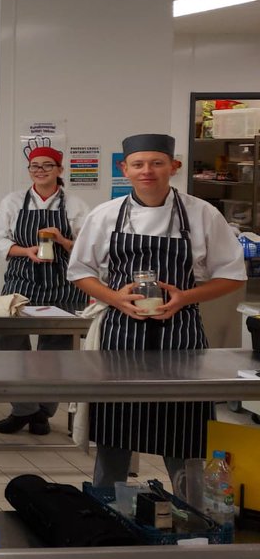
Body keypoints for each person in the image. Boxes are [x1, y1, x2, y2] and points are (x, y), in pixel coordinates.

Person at [68, 133, 246, 489]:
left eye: (156, 163)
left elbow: (232, 275)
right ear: (125, 169)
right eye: (138, 164)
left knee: (184, 428)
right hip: (121, 335)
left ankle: (191, 508)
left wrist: (185, 297)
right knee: (115, 427)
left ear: (173, 166)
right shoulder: (106, 215)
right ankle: (107, 506)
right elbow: (79, 271)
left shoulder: (202, 214)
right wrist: (114, 298)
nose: (147, 171)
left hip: (181, 336)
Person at [0, 146, 91, 435]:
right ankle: (24, 409)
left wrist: (63, 241)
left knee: (55, 351)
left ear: (60, 170)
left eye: (47, 165)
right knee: (10, 345)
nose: (40, 170)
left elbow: (88, 247)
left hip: (63, 285)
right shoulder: (13, 201)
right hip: (21, 280)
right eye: (35, 166)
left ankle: (43, 412)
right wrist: (26, 251)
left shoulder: (76, 206)